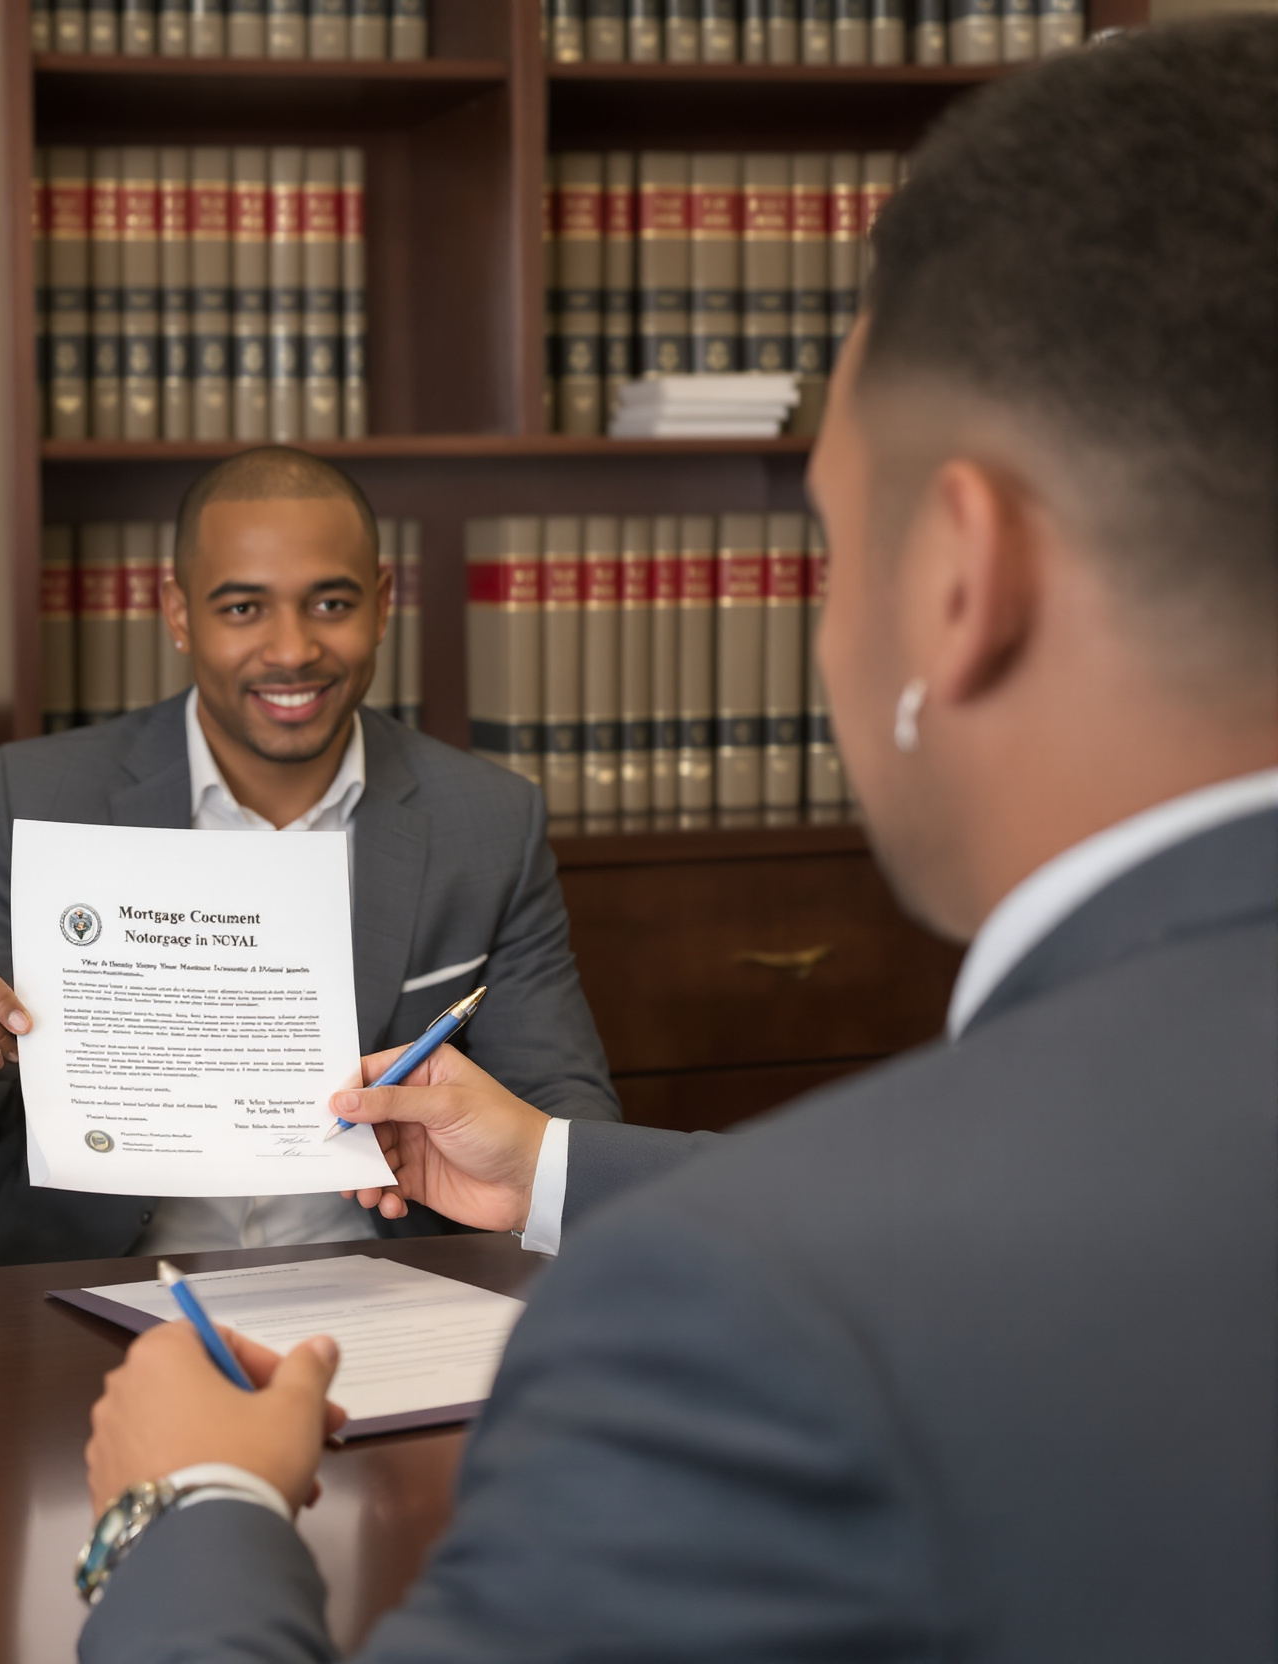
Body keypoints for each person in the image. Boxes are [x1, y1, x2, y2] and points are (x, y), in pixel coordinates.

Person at [76, 21, 1277, 1662]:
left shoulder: (751, 1313)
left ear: (957, 577)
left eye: (829, 544)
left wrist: (192, 1507)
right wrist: (554, 1162)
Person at [0, 447, 619, 1267]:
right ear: (177, 613)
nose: (291, 650)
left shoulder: (486, 820)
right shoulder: (39, 793)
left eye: (331, 602)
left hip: (387, 1282)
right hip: (98, 1286)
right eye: (243, 609)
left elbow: (566, 1114)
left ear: (381, 605)